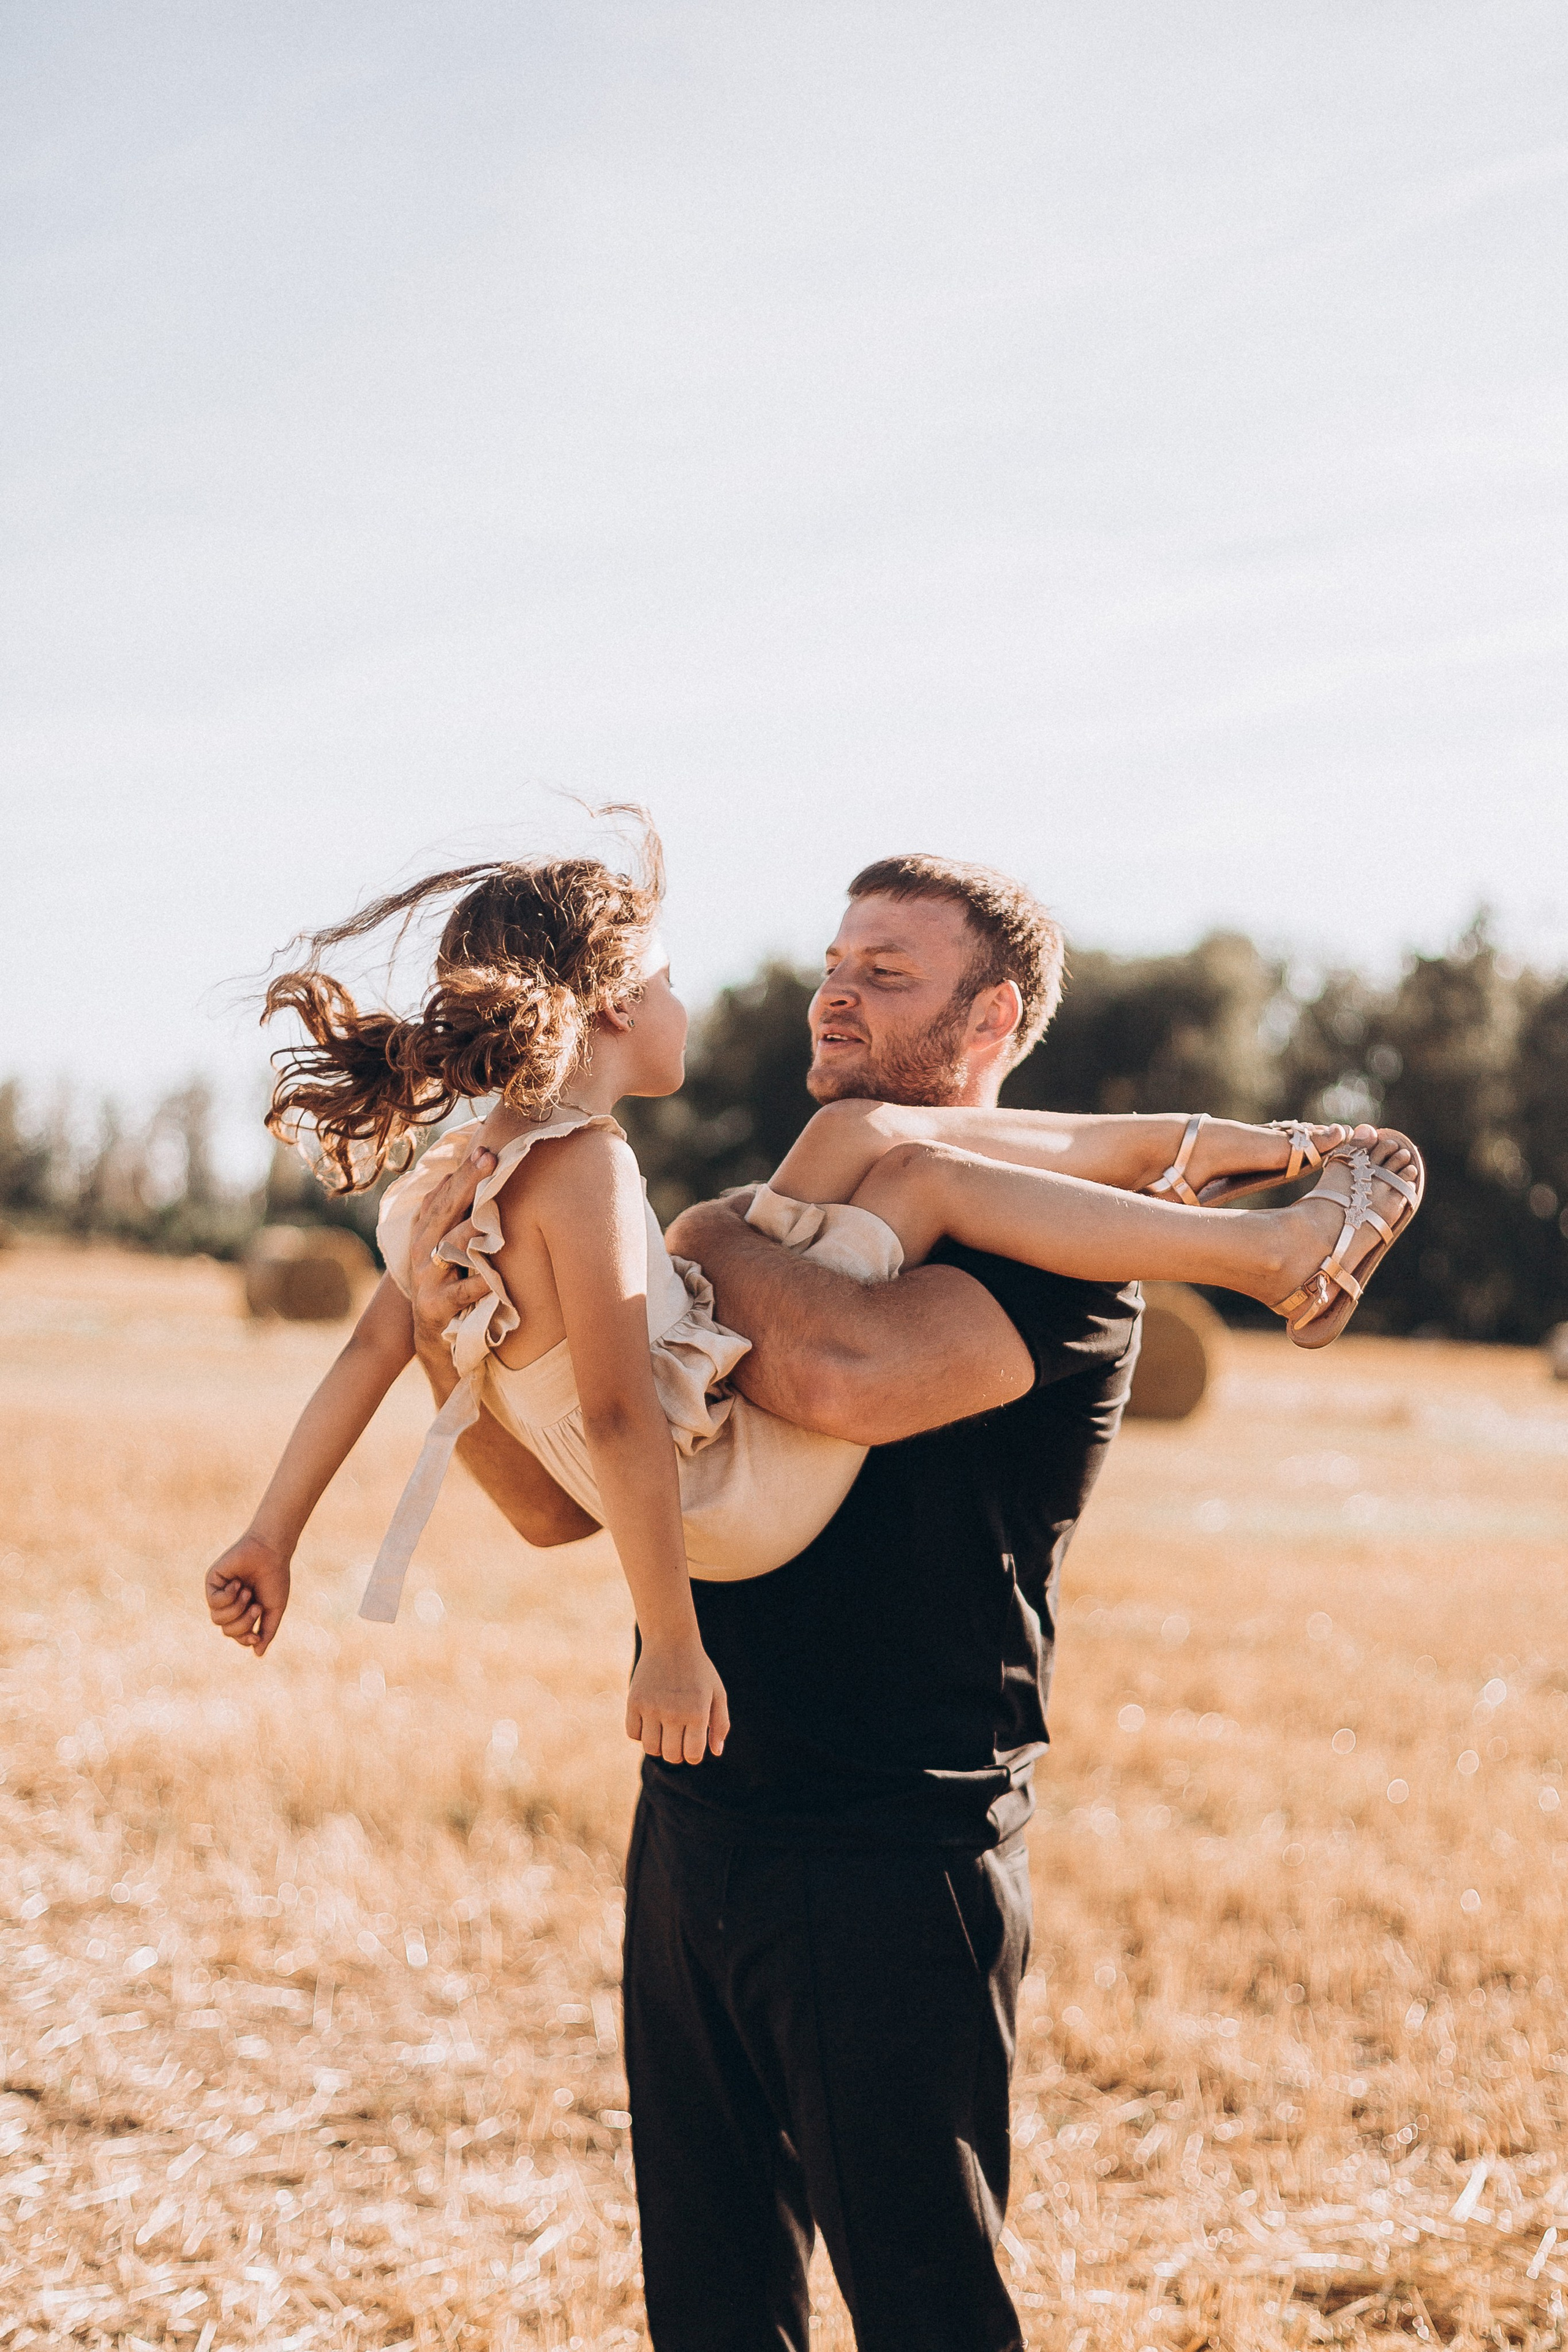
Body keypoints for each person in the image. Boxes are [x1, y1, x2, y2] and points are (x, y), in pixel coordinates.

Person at [211, 840, 1418, 2352]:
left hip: (888, 1851)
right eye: (833, 965)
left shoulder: (1064, 1264)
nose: (831, 993)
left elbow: (840, 1371)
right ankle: (1267, 1182)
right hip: (696, 1816)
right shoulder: (757, 1195)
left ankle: (1276, 1238)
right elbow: (552, 1510)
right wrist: (464, 1349)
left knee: (924, 2311)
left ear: (991, 1020)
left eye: (885, 975)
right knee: (710, 2312)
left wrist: (700, 1248)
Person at [206, 836, 1421, 1791]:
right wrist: (670, 1643)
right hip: (731, 1500)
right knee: (917, 1172)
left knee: (864, 1144)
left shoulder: (448, 1180)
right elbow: (619, 1420)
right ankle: (1269, 1246)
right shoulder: (586, 1169)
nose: (820, 996)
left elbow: (369, 1351)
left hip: (865, 1750)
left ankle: (1235, 1168)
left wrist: (273, 1532)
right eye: (670, 982)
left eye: (881, 974)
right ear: (617, 1005)